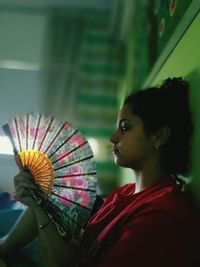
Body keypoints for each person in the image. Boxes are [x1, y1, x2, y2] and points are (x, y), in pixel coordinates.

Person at [0, 77, 200, 267]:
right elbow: (78, 248)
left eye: (125, 127)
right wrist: (42, 203)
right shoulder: (125, 193)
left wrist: (40, 212)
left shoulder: (161, 215)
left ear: (159, 136)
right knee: (52, 196)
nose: (113, 137)